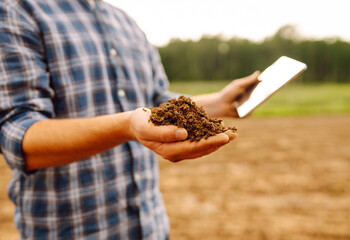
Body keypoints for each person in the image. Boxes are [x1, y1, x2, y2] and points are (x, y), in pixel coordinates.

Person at [0, 0, 260, 239]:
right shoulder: (18, 10)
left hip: (152, 229)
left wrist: (219, 103)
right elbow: (18, 135)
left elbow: (157, 104)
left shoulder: (125, 22)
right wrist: (126, 126)